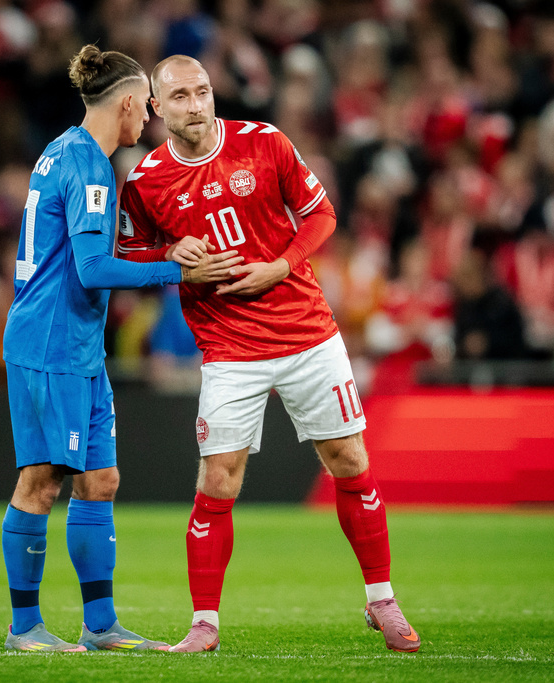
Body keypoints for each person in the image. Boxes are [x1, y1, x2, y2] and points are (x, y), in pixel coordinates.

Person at [118, 55, 421, 654]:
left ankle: (382, 600)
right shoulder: (146, 181)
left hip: (306, 332)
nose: (196, 104)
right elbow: (128, 257)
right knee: (218, 480)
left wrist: (280, 267)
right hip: (229, 347)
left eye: (202, 91)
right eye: (179, 96)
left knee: (350, 461)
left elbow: (321, 214)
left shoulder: (265, 143)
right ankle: (204, 623)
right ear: (156, 107)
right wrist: (173, 256)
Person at [0, 45, 243, 653]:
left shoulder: (63, 150)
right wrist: (175, 272)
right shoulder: (89, 165)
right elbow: (90, 268)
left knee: (101, 478)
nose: (151, 124)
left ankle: (100, 625)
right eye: (148, 112)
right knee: (40, 481)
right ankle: (25, 626)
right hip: (51, 341)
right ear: (132, 103)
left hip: (76, 343)